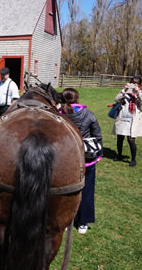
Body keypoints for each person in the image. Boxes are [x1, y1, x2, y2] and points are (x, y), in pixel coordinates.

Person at [61, 88, 102, 234]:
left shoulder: (60, 115)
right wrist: (99, 154)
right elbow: (97, 135)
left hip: (65, 160)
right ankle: (83, 222)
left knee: (65, 192)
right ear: (77, 98)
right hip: (87, 160)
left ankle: (66, 220)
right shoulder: (88, 114)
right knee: (87, 190)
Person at [112, 76, 142, 167]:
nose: (133, 85)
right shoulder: (125, 92)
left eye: (135, 84)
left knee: (131, 140)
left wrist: (138, 92)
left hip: (133, 120)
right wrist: (124, 90)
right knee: (120, 138)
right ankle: (119, 155)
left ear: (139, 85)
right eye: (132, 83)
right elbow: (116, 99)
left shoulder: (140, 93)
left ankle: (133, 159)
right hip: (123, 118)